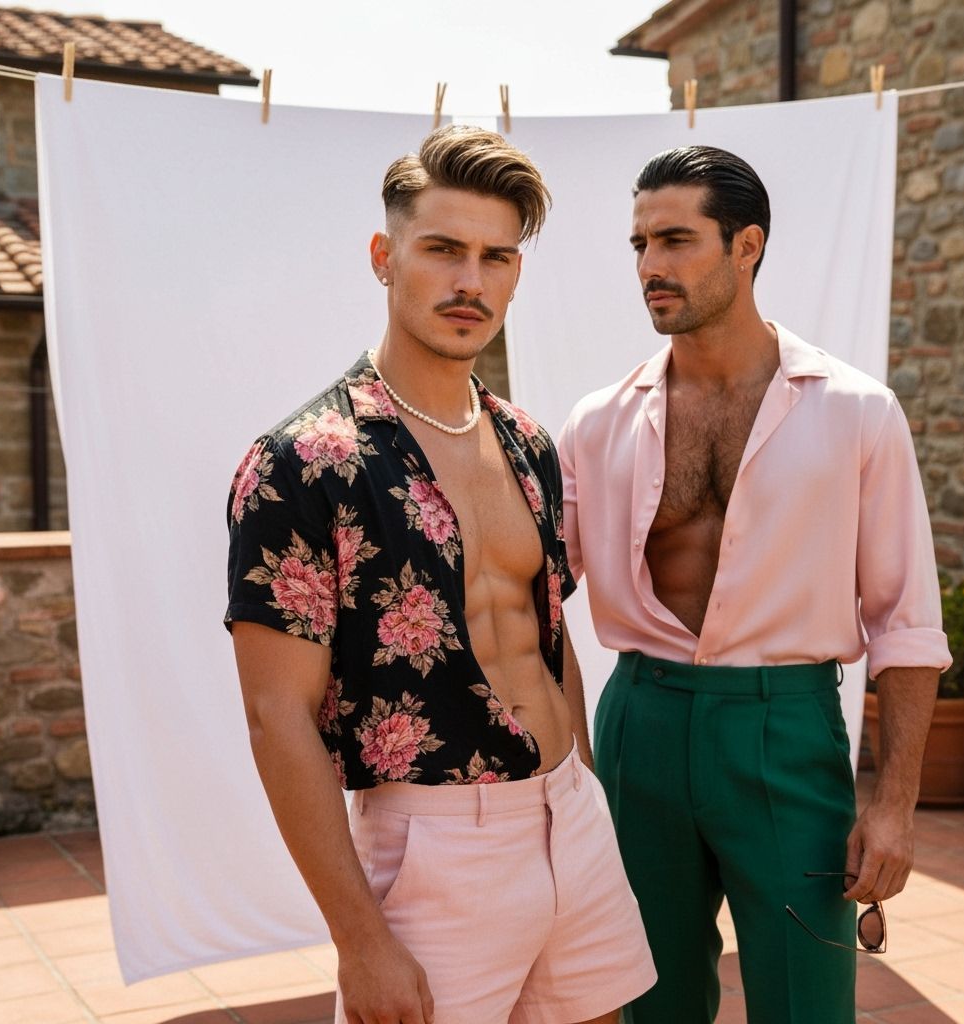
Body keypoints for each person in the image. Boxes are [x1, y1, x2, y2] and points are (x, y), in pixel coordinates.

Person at [225, 125, 655, 1024]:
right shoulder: (305, 461)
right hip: (435, 844)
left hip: (568, 811)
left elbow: (548, 633)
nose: (472, 281)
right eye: (444, 250)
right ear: (385, 257)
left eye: (497, 257)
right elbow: (277, 718)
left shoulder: (528, 441)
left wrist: (586, 796)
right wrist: (360, 940)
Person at [557, 144, 951, 1024]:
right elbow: (534, 598)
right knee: (649, 998)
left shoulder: (856, 412)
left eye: (676, 240)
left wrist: (894, 807)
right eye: (639, 246)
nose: (652, 267)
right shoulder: (597, 419)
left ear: (747, 246)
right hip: (642, 721)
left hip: (785, 726)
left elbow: (906, 622)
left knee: (806, 998)